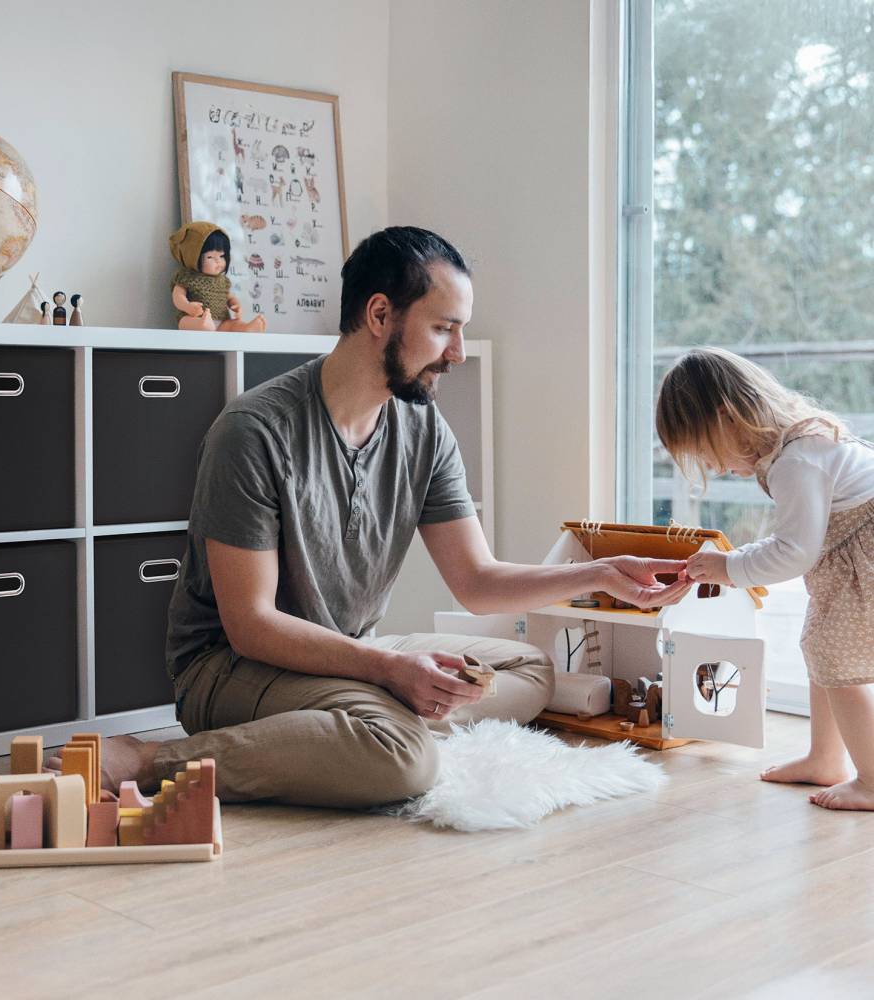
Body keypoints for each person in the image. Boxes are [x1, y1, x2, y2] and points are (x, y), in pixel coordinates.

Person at [50, 227, 689, 807]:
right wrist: (388, 671)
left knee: (528, 671)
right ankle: (152, 758)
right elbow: (251, 626)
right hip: (232, 669)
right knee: (405, 762)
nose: (459, 353)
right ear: (380, 314)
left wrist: (601, 574)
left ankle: (351, 722)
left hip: (347, 654)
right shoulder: (254, 431)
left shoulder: (424, 430)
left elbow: (477, 582)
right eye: (444, 329)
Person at [656, 347, 874, 811]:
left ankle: (873, 779)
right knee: (823, 649)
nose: (712, 467)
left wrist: (728, 568)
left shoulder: (798, 459)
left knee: (837, 658)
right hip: (850, 559)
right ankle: (825, 758)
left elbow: (795, 551)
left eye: (705, 451)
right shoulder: (795, 449)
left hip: (865, 559)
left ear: (727, 416)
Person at [169, 221, 266, 333]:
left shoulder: (223, 281)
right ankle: (203, 324)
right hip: (196, 317)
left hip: (222, 322)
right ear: (191, 257)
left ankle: (246, 329)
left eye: (221, 256)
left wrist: (236, 305)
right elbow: (178, 297)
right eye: (210, 257)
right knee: (185, 322)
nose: (218, 261)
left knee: (233, 324)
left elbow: (230, 297)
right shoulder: (186, 277)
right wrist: (187, 306)